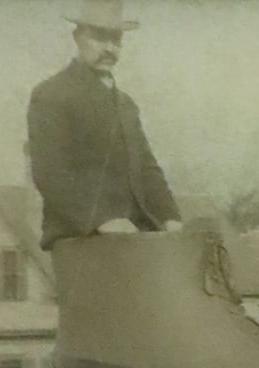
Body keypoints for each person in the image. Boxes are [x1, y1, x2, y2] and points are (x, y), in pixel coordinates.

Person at [27, 0, 182, 251]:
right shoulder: (52, 94)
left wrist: (170, 218)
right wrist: (101, 219)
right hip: (82, 240)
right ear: (78, 37)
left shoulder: (125, 104)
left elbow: (147, 169)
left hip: (133, 241)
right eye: (100, 38)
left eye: (116, 40)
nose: (110, 48)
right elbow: (50, 173)